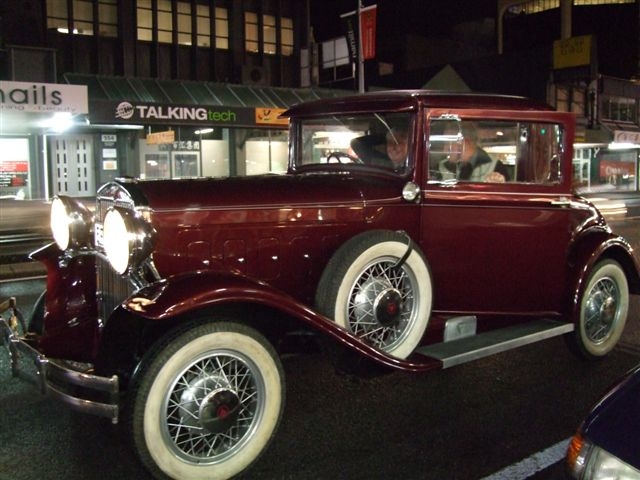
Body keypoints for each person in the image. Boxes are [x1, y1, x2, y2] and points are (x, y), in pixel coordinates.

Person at [438, 123, 509, 182]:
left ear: (463, 143)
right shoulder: (441, 167)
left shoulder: (496, 167)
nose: (444, 151)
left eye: (448, 144)